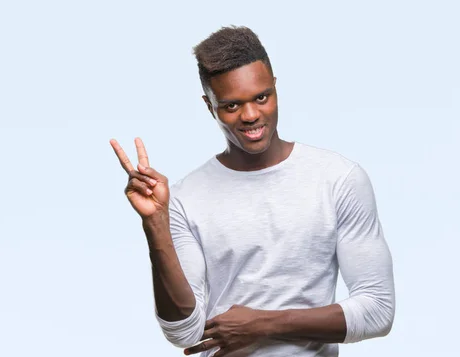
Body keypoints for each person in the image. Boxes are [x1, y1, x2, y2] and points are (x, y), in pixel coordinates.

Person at [109, 25, 395, 357]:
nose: (250, 115)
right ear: (209, 105)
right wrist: (155, 223)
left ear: (274, 88)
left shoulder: (338, 179)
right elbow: (184, 332)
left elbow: (378, 311)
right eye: (231, 106)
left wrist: (264, 325)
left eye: (261, 97)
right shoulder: (186, 198)